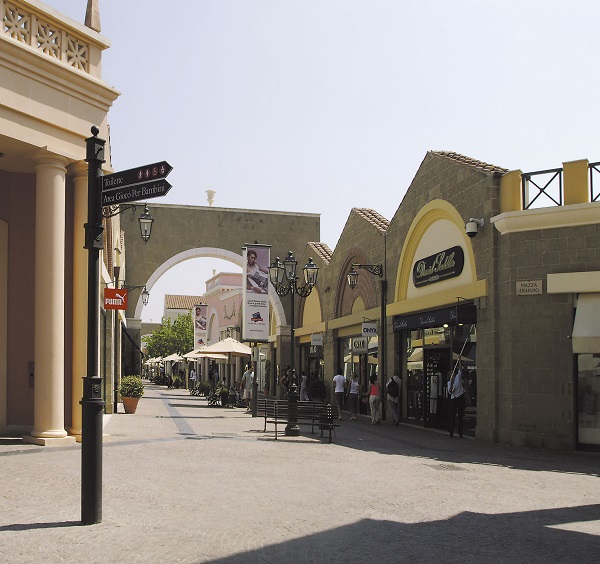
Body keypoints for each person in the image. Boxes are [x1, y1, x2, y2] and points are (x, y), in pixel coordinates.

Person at [448, 364, 467, 437]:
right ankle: (451, 431)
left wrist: (459, 361)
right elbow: (450, 391)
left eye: (452, 373)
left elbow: (460, 369)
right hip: (454, 399)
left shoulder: (458, 377)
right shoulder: (449, 382)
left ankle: (460, 433)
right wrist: (452, 383)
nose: (452, 375)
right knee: (452, 415)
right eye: (451, 374)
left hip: (460, 397)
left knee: (460, 415)